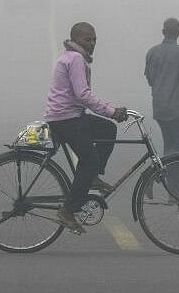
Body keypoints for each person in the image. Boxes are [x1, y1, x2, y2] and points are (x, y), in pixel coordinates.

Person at [46, 22, 128, 233]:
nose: (91, 44)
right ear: (75, 40)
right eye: (87, 39)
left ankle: (92, 177)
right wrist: (112, 111)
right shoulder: (75, 59)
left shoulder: (74, 57)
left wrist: (109, 113)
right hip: (66, 119)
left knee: (107, 130)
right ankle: (68, 211)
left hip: (70, 116)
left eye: (94, 40)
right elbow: (83, 95)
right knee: (90, 160)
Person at [144, 18, 179, 199]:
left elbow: (150, 78)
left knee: (170, 148)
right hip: (178, 108)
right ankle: (154, 176)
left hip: (160, 108)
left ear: (163, 32)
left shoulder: (152, 52)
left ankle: (173, 193)